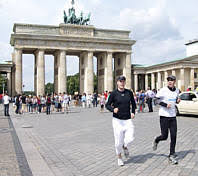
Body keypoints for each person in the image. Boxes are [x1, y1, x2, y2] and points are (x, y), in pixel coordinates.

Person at [106, 75, 136, 166]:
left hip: (127, 119)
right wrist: (112, 109)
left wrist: (133, 112)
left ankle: (125, 146)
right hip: (117, 120)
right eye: (120, 81)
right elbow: (107, 105)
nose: (122, 83)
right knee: (118, 141)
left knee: (130, 138)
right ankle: (119, 157)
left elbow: (134, 104)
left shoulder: (129, 93)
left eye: (123, 81)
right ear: (117, 83)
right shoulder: (113, 93)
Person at [152, 75, 180, 165]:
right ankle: (157, 139)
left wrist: (177, 100)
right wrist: (164, 104)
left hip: (172, 116)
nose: (170, 82)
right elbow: (155, 100)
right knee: (164, 136)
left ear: (174, 81)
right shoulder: (163, 90)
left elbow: (175, 99)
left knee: (174, 136)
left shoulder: (177, 90)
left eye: (171, 80)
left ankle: (171, 154)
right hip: (164, 116)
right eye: (168, 80)